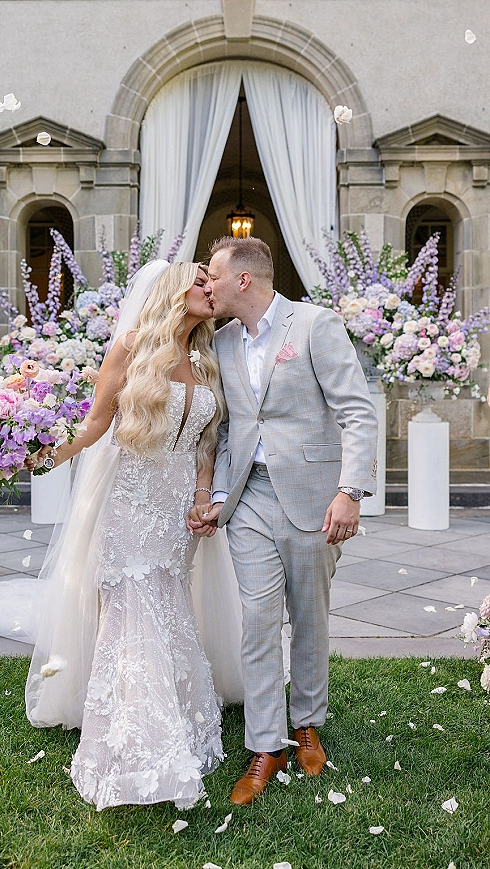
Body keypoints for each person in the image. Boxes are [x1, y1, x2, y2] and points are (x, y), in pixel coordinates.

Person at [24, 259, 242, 811]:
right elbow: (97, 422)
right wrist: (42, 453)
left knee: (170, 604)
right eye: (200, 281)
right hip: (130, 505)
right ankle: (140, 741)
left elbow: (206, 442)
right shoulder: (132, 347)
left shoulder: (205, 357)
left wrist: (201, 496)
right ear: (173, 291)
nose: (209, 288)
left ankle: (179, 715)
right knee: (135, 609)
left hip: (176, 515)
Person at [188, 236, 378, 806]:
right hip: (249, 500)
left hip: (314, 498)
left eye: (214, 276)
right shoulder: (219, 341)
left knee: (309, 617)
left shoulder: (315, 325)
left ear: (243, 279)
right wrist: (219, 495)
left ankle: (307, 721)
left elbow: (356, 410)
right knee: (257, 619)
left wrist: (350, 492)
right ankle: (265, 743)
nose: (208, 286)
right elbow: (224, 430)